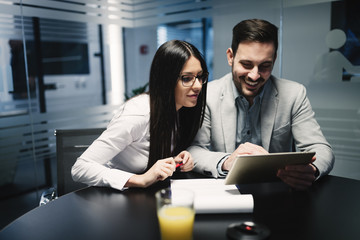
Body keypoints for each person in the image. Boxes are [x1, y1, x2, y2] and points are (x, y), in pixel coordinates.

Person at [188, 19, 334, 190]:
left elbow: (321, 149)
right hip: (224, 191)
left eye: (265, 65)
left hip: (277, 194)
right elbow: (194, 150)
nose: (254, 76)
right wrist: (227, 161)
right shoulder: (207, 94)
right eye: (246, 64)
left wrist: (312, 170)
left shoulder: (294, 94)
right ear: (230, 57)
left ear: (274, 59)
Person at [72, 40, 208, 191]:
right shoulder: (138, 114)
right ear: (166, 80)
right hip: (110, 196)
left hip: (144, 196)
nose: (197, 86)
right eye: (187, 78)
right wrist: (141, 179)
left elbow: (150, 156)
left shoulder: (179, 109)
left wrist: (174, 162)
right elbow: (80, 168)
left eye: (200, 77)